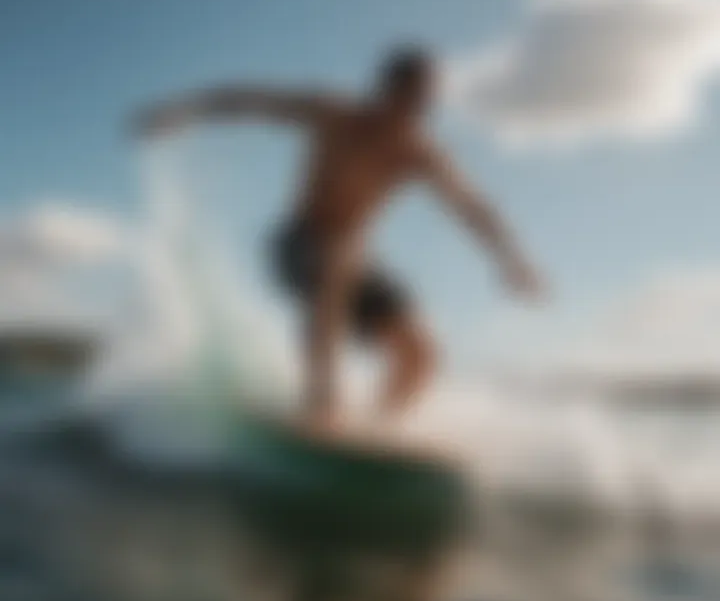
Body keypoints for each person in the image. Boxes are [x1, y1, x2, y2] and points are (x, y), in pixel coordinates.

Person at [132, 46, 545, 430]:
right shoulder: (333, 114)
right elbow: (252, 100)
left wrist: (511, 260)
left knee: (420, 353)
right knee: (337, 258)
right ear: (387, 89)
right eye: (413, 97)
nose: (419, 111)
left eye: (426, 102)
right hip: (298, 245)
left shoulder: (417, 152)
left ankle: (378, 431)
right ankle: (320, 400)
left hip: (357, 261)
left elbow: (470, 205)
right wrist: (180, 111)